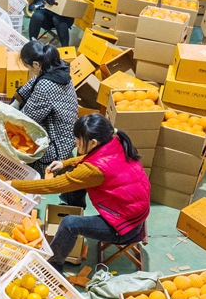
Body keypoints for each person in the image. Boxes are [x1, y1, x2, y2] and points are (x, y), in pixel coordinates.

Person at [10, 114, 151, 273]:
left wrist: (14, 185)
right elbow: (92, 157)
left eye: (78, 138)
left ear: (93, 142)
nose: (75, 142)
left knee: (69, 224)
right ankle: (73, 208)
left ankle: (54, 264)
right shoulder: (115, 141)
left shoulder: (94, 170)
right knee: (75, 178)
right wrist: (65, 163)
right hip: (135, 212)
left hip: (124, 227)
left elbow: (53, 186)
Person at [11, 41, 78, 175]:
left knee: (17, 133)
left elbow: (25, 118)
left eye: (28, 67)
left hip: (57, 146)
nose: (29, 71)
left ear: (36, 64)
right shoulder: (57, 69)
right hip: (69, 137)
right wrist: (14, 103)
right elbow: (31, 85)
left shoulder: (46, 86)